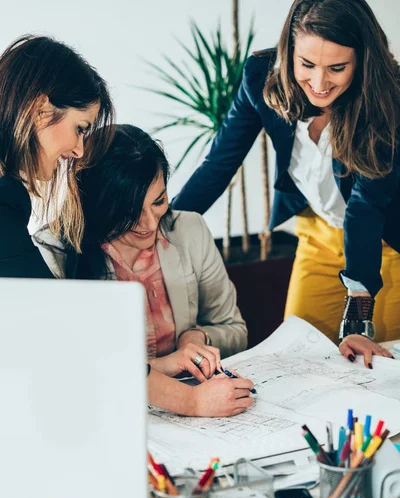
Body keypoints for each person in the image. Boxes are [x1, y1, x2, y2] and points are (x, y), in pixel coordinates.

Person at [172, 0, 400, 362]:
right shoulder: (260, 76)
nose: (319, 83)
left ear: (362, 62)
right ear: (289, 49)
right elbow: (220, 163)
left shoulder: (389, 100)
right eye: (306, 64)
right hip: (317, 233)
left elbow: (366, 207)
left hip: (386, 244)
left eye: (337, 68)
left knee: (371, 364)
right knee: (297, 356)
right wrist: (162, 225)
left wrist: (358, 320)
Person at [34, 124, 254, 417]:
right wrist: (167, 369)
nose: (150, 225)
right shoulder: (55, 252)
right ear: (96, 206)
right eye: (129, 214)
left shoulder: (189, 230)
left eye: (159, 202)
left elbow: (235, 329)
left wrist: (197, 337)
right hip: (104, 414)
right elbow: (68, 368)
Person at [0, 34, 115, 278]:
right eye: (80, 129)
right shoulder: (5, 198)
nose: (79, 151)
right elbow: (41, 308)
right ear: (40, 110)